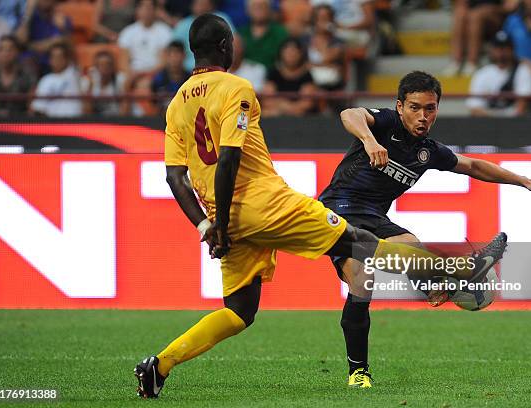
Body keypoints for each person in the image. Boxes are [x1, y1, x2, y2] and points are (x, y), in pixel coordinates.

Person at [133, 14, 511, 398]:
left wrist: (209, 226)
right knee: (359, 243)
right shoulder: (236, 87)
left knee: (239, 312)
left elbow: (175, 178)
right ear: (228, 46)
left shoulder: (176, 103)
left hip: (221, 217)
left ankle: (159, 366)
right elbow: (230, 157)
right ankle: (460, 268)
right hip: (265, 203)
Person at [317, 70, 531, 387]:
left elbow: (474, 166)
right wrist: (368, 140)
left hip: (374, 217)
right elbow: (349, 113)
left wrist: (524, 181)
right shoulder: (385, 125)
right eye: (415, 107)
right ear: (400, 106)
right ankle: (358, 373)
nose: (422, 116)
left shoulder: (428, 151)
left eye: (430, 109)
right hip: (336, 211)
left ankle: (435, 285)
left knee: (411, 244)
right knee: (363, 280)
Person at [443, 0, 514, 76]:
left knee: (476, 16)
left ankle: (472, 63)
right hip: (474, 15)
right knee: (460, 14)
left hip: (496, 16)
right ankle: (456, 62)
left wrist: (490, 9)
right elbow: (461, 3)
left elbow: (509, 6)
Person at [466, 31, 529, 116]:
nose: (501, 51)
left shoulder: (522, 70)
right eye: (497, 47)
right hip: (487, 124)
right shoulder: (482, 74)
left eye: (505, 47)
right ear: (492, 50)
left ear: (512, 49)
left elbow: (522, 106)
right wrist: (495, 118)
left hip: (515, 124)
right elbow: (474, 107)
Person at [173, 0, 234, 72]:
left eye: (204, 4)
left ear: (211, 5)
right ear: (192, 6)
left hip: (219, 69)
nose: (201, 8)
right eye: (198, 4)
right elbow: (173, 51)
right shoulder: (182, 25)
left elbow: (235, 42)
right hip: (188, 73)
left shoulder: (221, 20)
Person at [262, 38, 318, 116]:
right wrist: (288, 108)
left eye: (294, 52)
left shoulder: (307, 76)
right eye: (288, 52)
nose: (291, 55)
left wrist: (284, 106)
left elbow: (307, 104)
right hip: (275, 116)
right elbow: (267, 101)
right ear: (281, 53)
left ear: (300, 54)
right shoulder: (273, 74)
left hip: (299, 118)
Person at [118, 0, 172, 75]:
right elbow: (123, 62)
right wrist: (132, 75)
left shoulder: (165, 31)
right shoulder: (127, 32)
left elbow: (164, 62)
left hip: (155, 73)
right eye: (143, 8)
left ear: (155, 10)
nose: (147, 11)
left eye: (150, 8)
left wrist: (146, 74)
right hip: (132, 73)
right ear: (137, 10)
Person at [30, 41, 81, 117]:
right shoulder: (46, 80)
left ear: (67, 59)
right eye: (54, 57)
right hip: (53, 123)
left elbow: (73, 52)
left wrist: (63, 31)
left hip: (75, 123)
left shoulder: (74, 73)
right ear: (50, 60)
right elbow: (38, 108)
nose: (57, 60)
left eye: (60, 57)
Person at [0, 35, 36, 116]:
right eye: (1, 49)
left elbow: (31, 108)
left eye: (9, 50)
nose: (5, 53)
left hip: (20, 123)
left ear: (17, 52)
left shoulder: (27, 76)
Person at [238, 0, 288, 71]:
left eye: (262, 6)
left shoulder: (280, 32)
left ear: (269, 10)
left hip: (271, 77)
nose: (258, 10)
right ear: (247, 11)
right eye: (255, 7)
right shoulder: (240, 33)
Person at [80, 49, 127, 116]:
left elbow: (125, 107)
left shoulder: (120, 79)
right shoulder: (88, 81)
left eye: (108, 65)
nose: (105, 68)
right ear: (96, 67)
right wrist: (90, 88)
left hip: (116, 119)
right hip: (94, 121)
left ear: (113, 67)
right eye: (101, 65)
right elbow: (86, 112)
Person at [151, 40, 190, 110]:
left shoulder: (190, 79)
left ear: (184, 56)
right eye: (171, 54)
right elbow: (153, 104)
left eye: (177, 54)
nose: (174, 58)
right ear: (166, 56)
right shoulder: (158, 79)